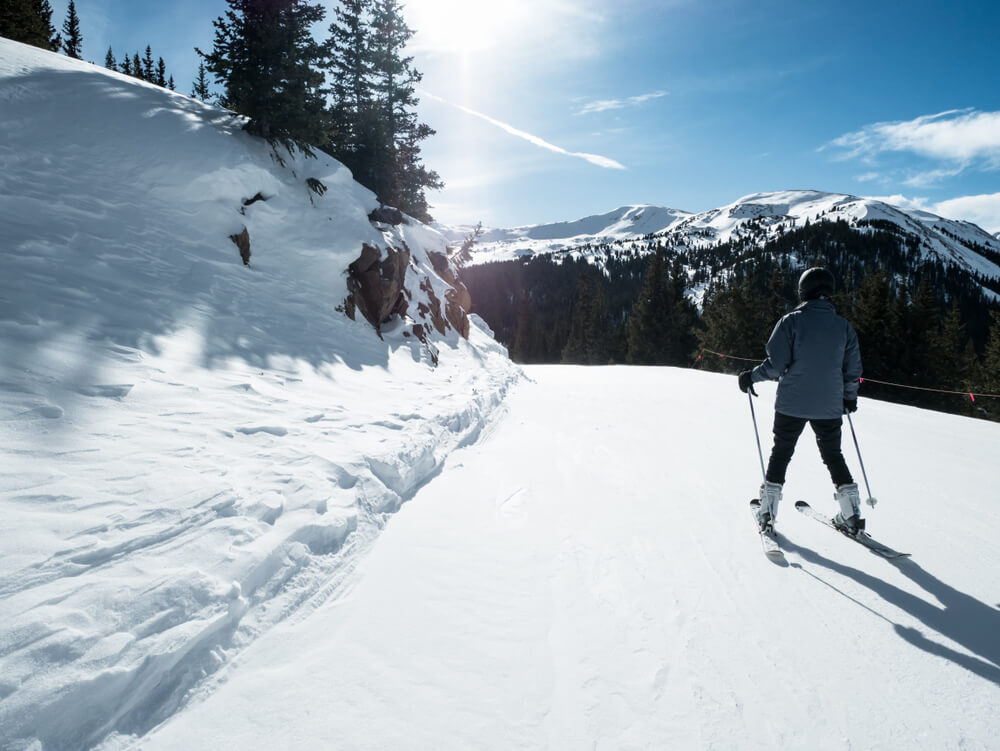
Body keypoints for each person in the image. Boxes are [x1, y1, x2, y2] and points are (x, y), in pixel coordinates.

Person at [738, 267, 864, 534]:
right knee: (833, 455)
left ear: (803, 290)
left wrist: (751, 377)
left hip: (792, 403)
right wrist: (849, 398)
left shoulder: (791, 321)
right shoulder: (844, 327)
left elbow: (776, 365)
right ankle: (851, 514)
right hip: (830, 405)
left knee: (781, 453)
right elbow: (853, 370)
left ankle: (768, 512)